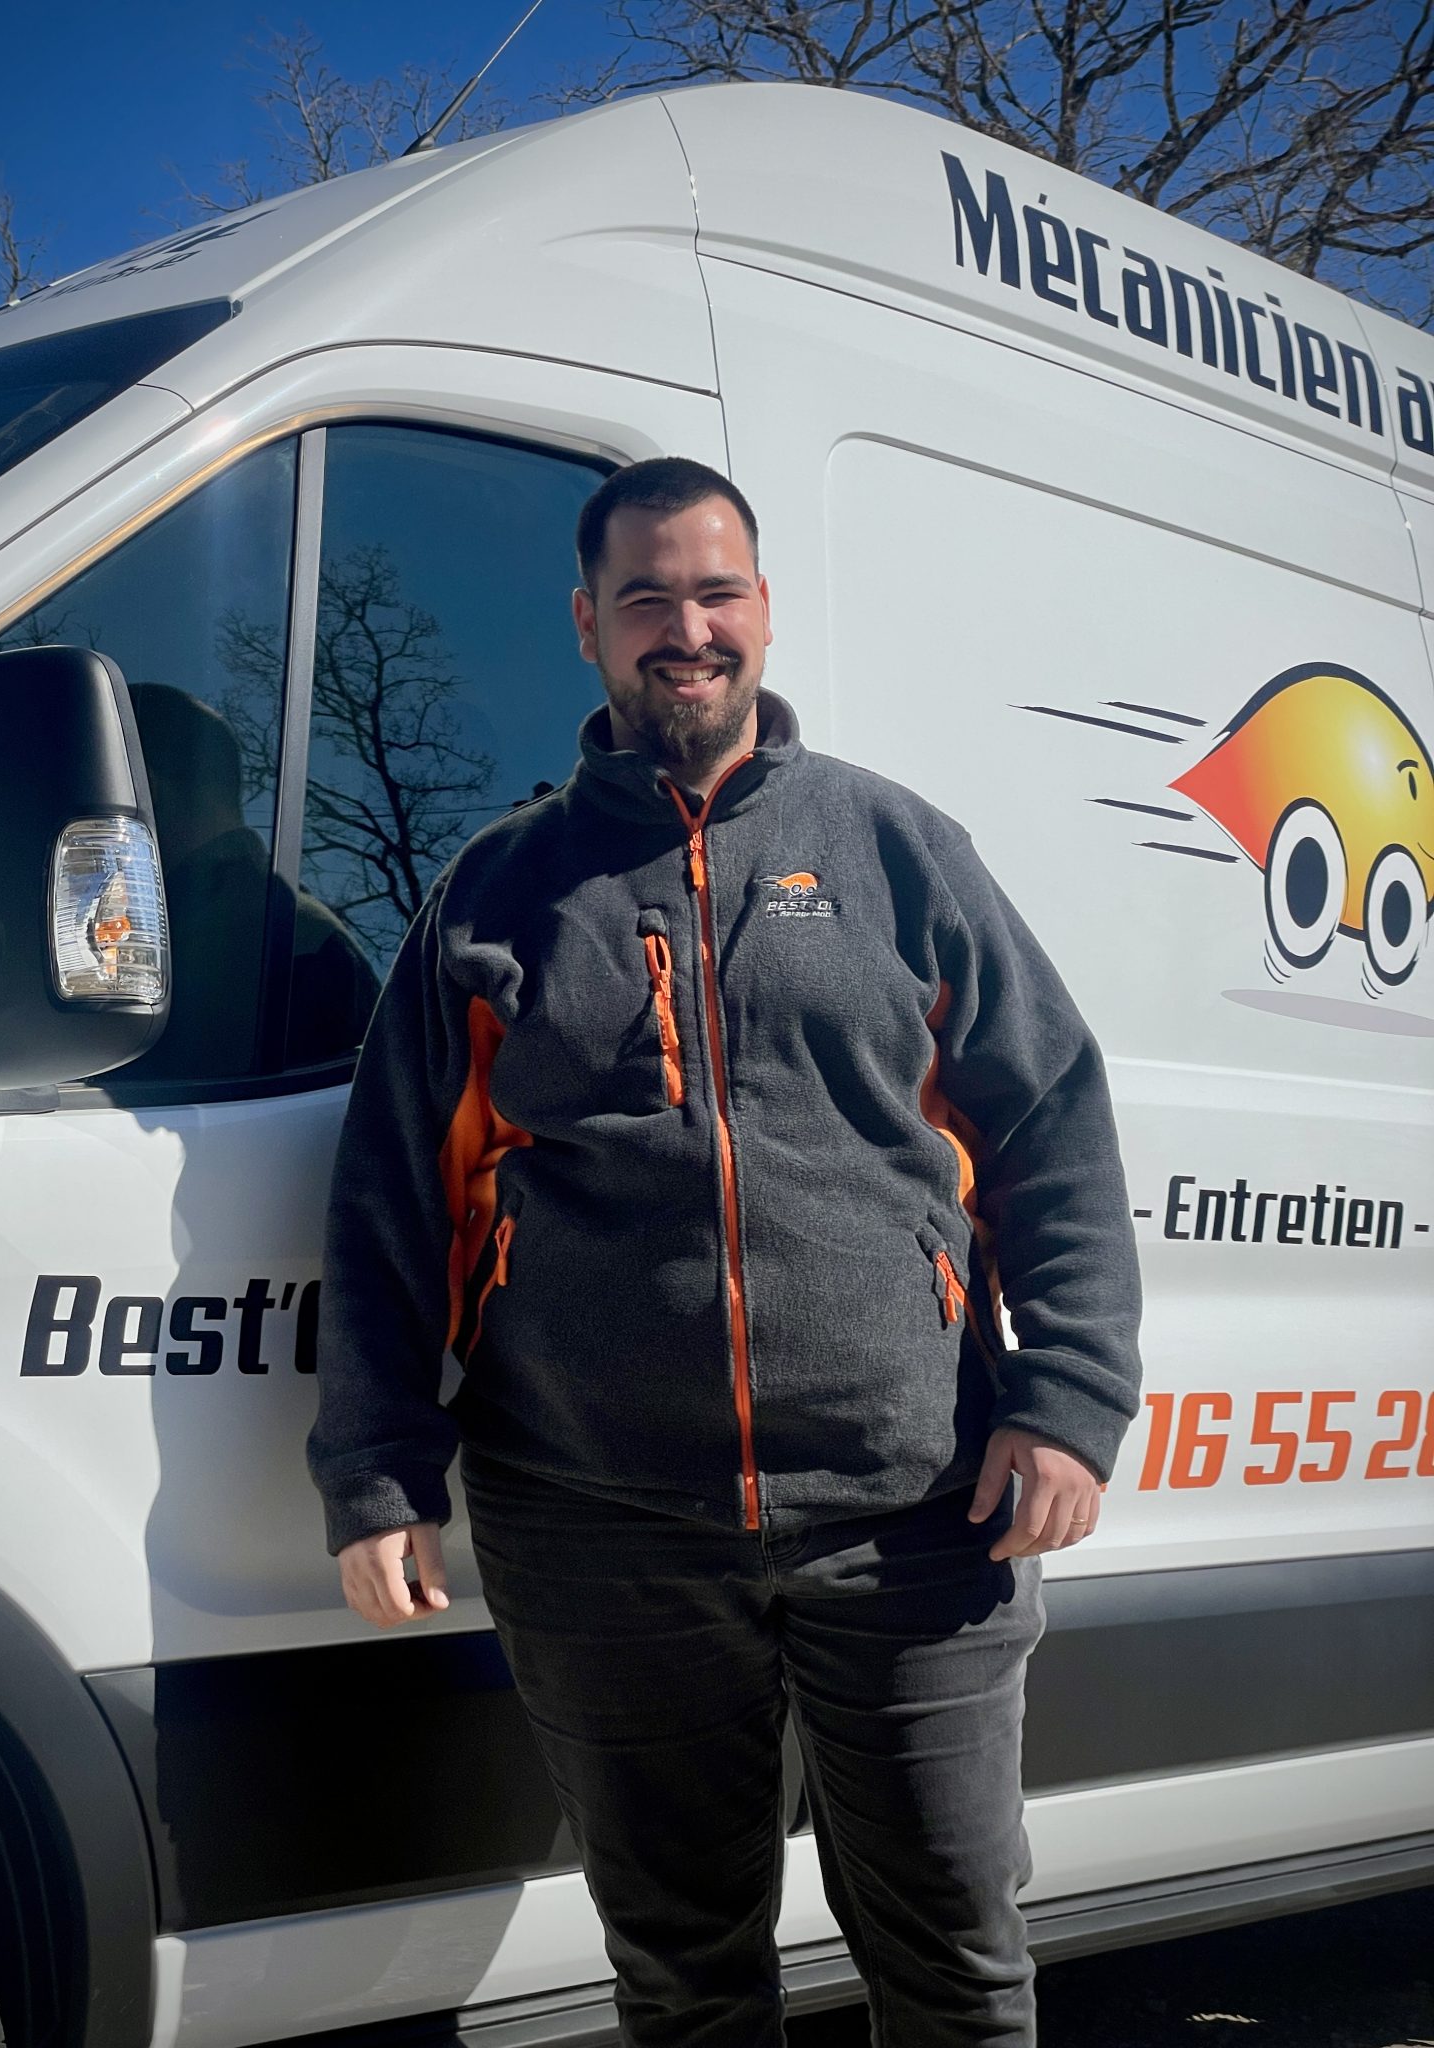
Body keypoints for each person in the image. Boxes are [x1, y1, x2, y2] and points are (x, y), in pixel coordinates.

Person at [307, 457, 1143, 2047]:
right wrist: (375, 1469)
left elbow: (1053, 1122)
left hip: (913, 1509)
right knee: (684, 1981)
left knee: (959, 1958)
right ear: (587, 625)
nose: (686, 630)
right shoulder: (498, 891)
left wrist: (1072, 1396)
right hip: (597, 1527)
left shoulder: (899, 852)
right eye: (646, 599)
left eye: (717, 594)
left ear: (762, 609)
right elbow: (391, 1202)